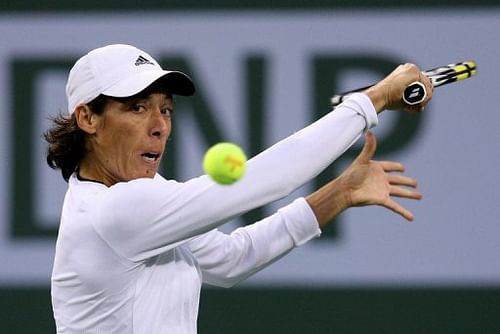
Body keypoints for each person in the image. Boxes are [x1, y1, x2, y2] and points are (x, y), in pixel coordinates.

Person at [45, 44, 432, 333]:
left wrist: (340, 192)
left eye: (165, 109)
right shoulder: (113, 212)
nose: (159, 126)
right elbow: (268, 179)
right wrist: (374, 100)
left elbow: (231, 259)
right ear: (88, 118)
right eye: (137, 108)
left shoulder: (133, 203)